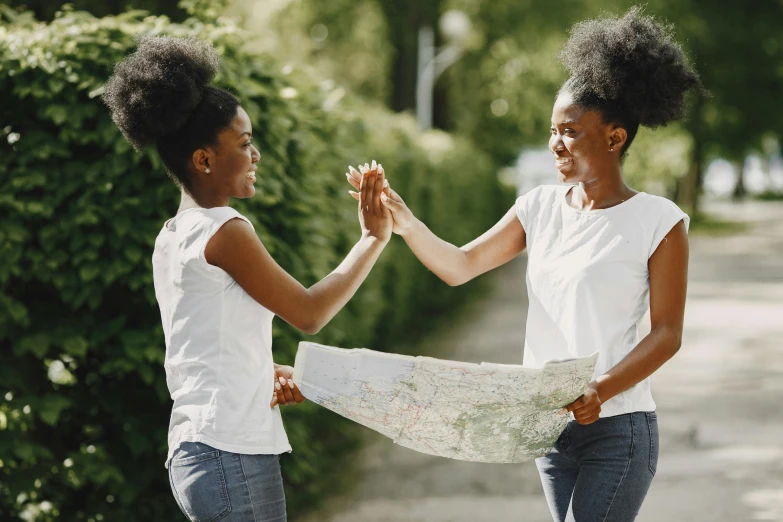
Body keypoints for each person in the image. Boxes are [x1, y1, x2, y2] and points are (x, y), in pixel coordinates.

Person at [347, 7, 702, 521]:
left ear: (615, 137)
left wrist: (599, 391)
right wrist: (405, 221)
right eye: (553, 130)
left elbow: (667, 333)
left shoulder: (659, 220)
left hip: (618, 427)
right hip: (549, 428)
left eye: (571, 131)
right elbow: (460, 265)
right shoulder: (537, 207)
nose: (556, 142)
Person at [103, 36, 391, 521]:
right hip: (228, 453)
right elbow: (310, 312)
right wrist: (372, 239)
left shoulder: (173, 234)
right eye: (244, 143)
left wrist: (261, 368)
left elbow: (207, 342)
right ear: (203, 159)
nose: (255, 155)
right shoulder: (225, 230)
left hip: (197, 448)